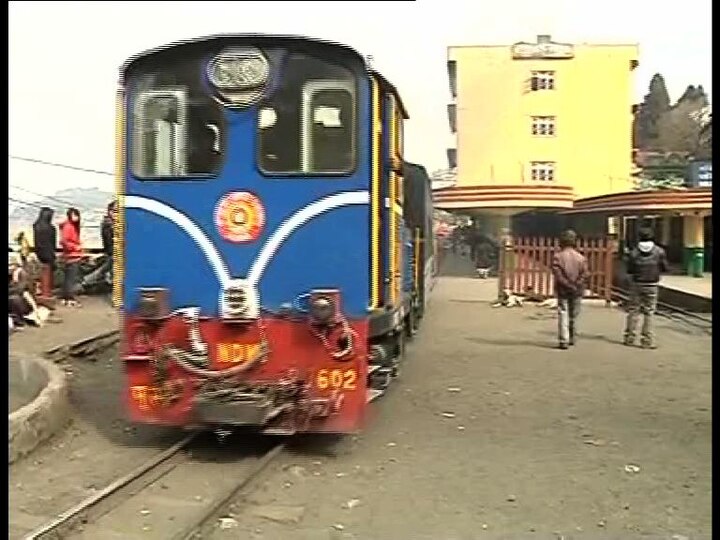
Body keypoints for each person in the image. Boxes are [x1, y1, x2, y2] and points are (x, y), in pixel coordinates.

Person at [623, 227, 668, 349]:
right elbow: (665, 268)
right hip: (652, 285)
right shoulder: (659, 251)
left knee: (633, 310)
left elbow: (629, 270)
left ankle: (629, 338)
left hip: (637, 284)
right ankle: (647, 340)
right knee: (649, 313)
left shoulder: (634, 252)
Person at [551, 229, 589, 350]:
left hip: (562, 289)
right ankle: (573, 337)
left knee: (563, 313)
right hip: (577, 290)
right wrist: (576, 284)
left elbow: (558, 274)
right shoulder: (581, 258)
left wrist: (567, 284)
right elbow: (585, 274)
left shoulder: (557, 257)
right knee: (574, 315)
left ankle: (564, 339)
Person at [60, 207, 84, 307]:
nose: (76, 217)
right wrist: (76, 247)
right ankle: (69, 298)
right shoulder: (68, 226)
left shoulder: (71, 226)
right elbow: (64, 241)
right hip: (72, 256)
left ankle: (66, 297)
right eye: (73, 215)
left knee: (69, 278)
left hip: (73, 256)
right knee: (71, 279)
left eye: (77, 215)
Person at [32, 207, 58, 300]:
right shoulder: (51, 228)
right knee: (48, 276)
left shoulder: (36, 226)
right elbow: (52, 243)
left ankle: (43, 293)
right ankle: (46, 294)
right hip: (48, 253)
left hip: (39, 253)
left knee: (42, 275)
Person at [101, 200, 116, 286]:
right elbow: (109, 240)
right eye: (114, 211)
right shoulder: (108, 224)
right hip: (112, 252)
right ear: (109, 211)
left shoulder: (111, 223)